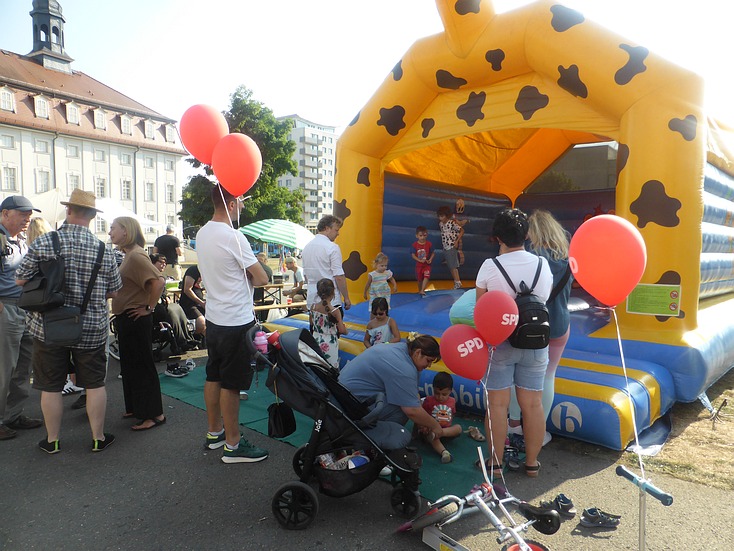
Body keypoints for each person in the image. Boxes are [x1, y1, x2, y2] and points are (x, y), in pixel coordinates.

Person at [16, 189, 122, 453]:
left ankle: (52, 441)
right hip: (90, 327)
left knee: (51, 387)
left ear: (69, 210)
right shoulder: (104, 250)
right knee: (95, 384)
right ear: (92, 216)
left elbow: (20, 279)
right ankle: (97, 438)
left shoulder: (45, 242)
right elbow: (114, 291)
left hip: (48, 326)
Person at [475, 207, 552, 478]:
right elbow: (543, 299)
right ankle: (531, 463)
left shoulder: (490, 266)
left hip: (501, 343)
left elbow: (481, 310)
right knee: (532, 404)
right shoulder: (542, 265)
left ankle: (495, 464)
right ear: (527, 235)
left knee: (497, 405)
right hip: (536, 341)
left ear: (498, 238)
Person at [196, 184, 269, 464]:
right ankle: (233, 445)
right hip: (236, 321)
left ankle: (215, 432)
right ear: (232, 203)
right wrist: (246, 276)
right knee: (232, 384)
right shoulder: (234, 237)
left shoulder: (202, 233)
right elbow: (262, 278)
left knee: (213, 376)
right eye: (241, 201)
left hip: (214, 318)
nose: (244, 206)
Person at [507, 210, 573, 451]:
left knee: (519, 377)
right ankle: (538, 431)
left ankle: (514, 425)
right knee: (548, 377)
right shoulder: (567, 260)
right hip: (559, 325)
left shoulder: (530, 260)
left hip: (530, 325)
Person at [109, 217, 166, 432]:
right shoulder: (129, 255)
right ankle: (137, 408)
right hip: (128, 318)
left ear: (126, 231)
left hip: (136, 318)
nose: (110, 232)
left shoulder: (136, 256)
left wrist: (149, 308)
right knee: (131, 366)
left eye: (113, 228)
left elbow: (158, 281)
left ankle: (154, 414)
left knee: (141, 366)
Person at [340, 333, 445, 450]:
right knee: (402, 408)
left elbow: (413, 394)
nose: (429, 365)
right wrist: (435, 425)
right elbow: (412, 410)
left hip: (341, 395)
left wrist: (423, 421)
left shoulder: (401, 349)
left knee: (407, 402)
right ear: (418, 353)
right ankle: (376, 442)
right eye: (428, 361)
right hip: (349, 406)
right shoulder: (404, 367)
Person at [0, 196, 44, 441]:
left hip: (24, 308)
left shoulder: (20, 241)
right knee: (3, 368)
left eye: (29, 214)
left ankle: (13, 415)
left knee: (23, 366)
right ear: (5, 213)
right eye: (23, 213)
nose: (28, 218)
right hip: (5, 308)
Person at [150, 253, 198, 360]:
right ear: (152, 263)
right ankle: (180, 341)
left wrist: (166, 297)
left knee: (177, 307)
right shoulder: (150, 276)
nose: (163, 265)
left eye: (165, 263)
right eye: (160, 262)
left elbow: (163, 292)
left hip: (162, 303)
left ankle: (187, 337)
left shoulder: (160, 276)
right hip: (153, 306)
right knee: (171, 311)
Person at [302, 215, 351, 314]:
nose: (338, 233)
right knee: (335, 324)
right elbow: (339, 276)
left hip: (313, 299)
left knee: (315, 324)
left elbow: (306, 275)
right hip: (331, 301)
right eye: (336, 230)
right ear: (327, 228)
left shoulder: (306, 247)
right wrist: (346, 297)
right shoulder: (332, 247)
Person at [419, 371, 462, 463]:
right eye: (437, 393)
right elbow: (420, 416)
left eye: (444, 394)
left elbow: (452, 415)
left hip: (445, 432)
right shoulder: (428, 401)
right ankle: (444, 452)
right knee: (433, 436)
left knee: (458, 428)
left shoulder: (452, 401)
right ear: (433, 389)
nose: (440, 397)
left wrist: (443, 431)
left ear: (450, 391)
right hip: (432, 433)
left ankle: (440, 433)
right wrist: (419, 429)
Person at [310, 278, 347, 369]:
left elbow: (311, 323)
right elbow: (341, 330)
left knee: (318, 368)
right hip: (330, 343)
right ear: (333, 292)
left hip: (316, 339)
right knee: (331, 369)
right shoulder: (335, 311)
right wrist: (346, 331)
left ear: (318, 292)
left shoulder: (313, 307)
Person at [437, 206, 464, 289]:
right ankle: (456, 282)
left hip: (451, 246)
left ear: (447, 216)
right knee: (450, 266)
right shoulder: (441, 224)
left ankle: (458, 282)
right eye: (439, 216)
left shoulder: (451, 223)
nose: (440, 218)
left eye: (442, 216)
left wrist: (456, 241)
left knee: (453, 266)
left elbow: (462, 230)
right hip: (445, 247)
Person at [178, 264, 206, 337]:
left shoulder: (209, 271)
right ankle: (190, 337)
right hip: (189, 304)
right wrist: (201, 303)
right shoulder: (194, 270)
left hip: (202, 302)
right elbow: (187, 289)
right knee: (201, 323)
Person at [411, 226, 434, 297]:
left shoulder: (429, 244)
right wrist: (419, 260)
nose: (423, 237)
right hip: (419, 265)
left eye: (424, 235)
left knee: (426, 276)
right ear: (417, 236)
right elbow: (413, 255)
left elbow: (433, 253)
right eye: (420, 236)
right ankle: (420, 290)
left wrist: (430, 259)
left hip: (426, 265)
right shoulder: (415, 245)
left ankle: (422, 290)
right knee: (419, 279)